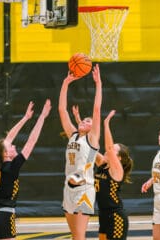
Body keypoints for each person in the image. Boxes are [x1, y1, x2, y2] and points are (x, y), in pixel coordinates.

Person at [0, 99, 52, 240]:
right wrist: (42, 116)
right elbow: (31, 140)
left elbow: (9, 137)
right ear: (5, 153)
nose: (14, 146)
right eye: (11, 147)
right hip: (4, 214)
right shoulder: (12, 167)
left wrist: (25, 118)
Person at [58, 64, 102, 240]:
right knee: (74, 236)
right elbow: (62, 110)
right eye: (83, 119)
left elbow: (97, 109)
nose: (84, 120)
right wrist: (66, 83)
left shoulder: (92, 139)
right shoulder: (73, 135)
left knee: (79, 237)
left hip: (84, 189)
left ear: (93, 127)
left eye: (88, 120)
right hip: (68, 188)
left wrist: (98, 84)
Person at [94, 110, 134, 240]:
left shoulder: (117, 171)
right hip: (103, 214)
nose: (108, 151)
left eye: (113, 151)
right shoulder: (102, 163)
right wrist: (80, 125)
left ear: (119, 158)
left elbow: (109, 147)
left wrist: (106, 124)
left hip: (116, 216)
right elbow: (89, 147)